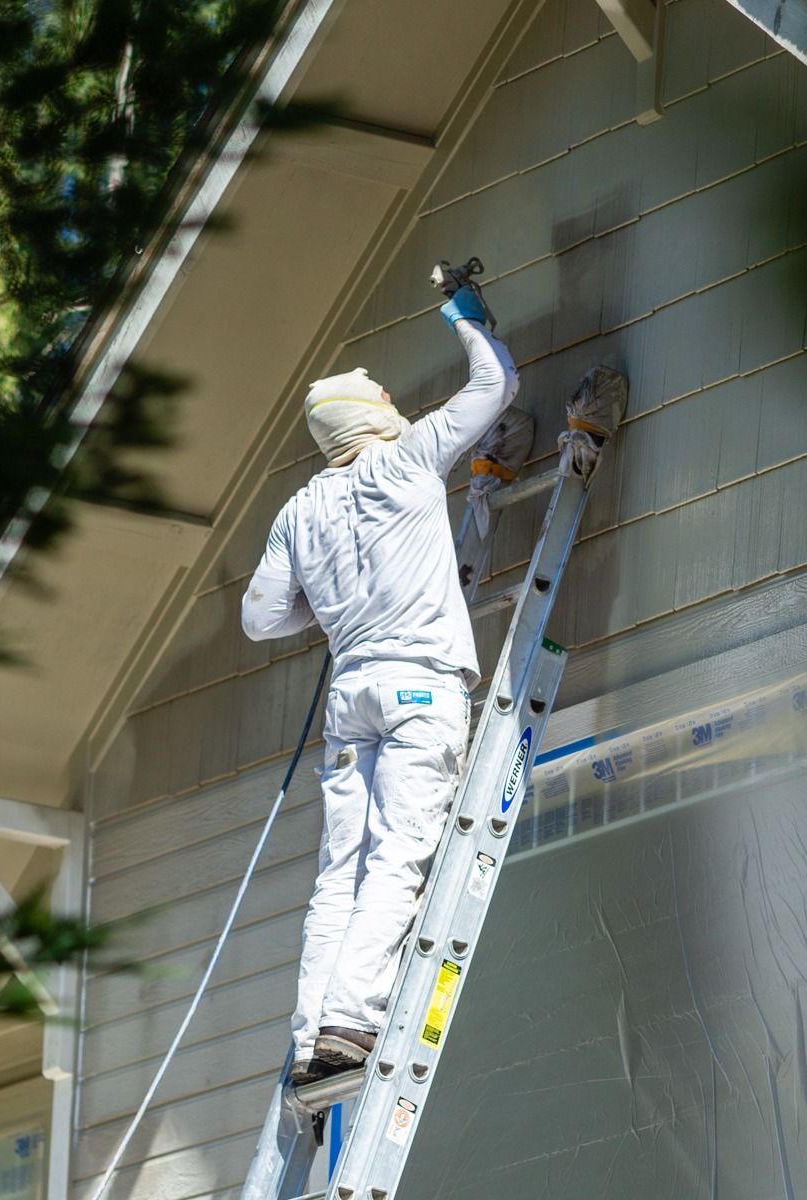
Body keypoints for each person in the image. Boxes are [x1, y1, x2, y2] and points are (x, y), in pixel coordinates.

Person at [240, 268, 520, 1084]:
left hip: (350, 698)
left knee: (341, 872)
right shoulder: (407, 459)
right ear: (375, 418)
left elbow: (260, 619)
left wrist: (327, 616)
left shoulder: (297, 510)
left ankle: (309, 1036)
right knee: (399, 858)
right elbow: (495, 381)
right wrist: (462, 311)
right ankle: (352, 1023)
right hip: (419, 688)